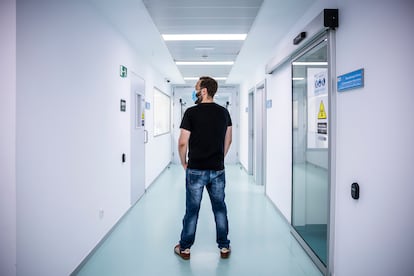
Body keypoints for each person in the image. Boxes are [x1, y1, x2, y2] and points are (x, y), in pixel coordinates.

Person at [174, 76, 233, 260]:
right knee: (220, 208)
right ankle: (224, 247)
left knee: (192, 210)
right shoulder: (224, 113)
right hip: (217, 169)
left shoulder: (191, 113)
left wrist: (184, 162)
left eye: (196, 88)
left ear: (204, 91)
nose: (195, 91)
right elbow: (228, 139)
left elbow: (183, 143)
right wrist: (218, 159)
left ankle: (185, 249)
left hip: (196, 170)